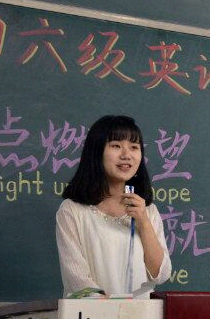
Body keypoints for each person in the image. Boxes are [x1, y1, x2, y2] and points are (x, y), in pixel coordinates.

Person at [55, 115, 171, 298]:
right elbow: (77, 280)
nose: (126, 155)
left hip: (141, 313)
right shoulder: (72, 210)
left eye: (134, 147)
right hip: (91, 314)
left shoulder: (148, 211)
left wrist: (143, 222)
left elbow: (161, 275)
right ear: (97, 152)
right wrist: (113, 308)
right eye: (116, 146)